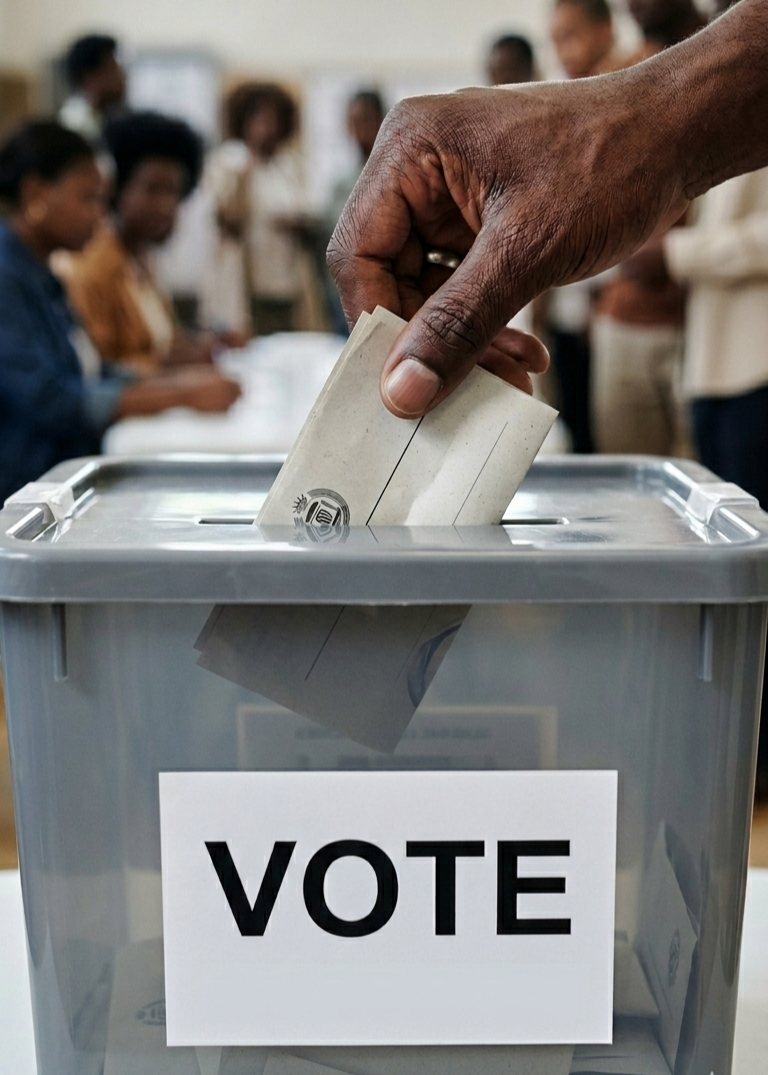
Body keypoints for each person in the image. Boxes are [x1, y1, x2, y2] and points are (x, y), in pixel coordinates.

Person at [0, 121, 240, 506]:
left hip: (59, 477)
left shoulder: (39, 272)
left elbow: (88, 366)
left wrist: (166, 379)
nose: (99, 216)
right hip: (26, 489)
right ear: (35, 192)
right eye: (88, 199)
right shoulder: (7, 276)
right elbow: (49, 399)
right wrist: (176, 394)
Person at [61, 111, 231, 372]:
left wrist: (207, 345)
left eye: (175, 192)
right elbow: (95, 370)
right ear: (116, 189)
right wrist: (164, 365)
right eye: (153, 189)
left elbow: (159, 342)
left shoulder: (141, 259)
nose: (166, 206)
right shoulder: (93, 267)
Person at [545, 0, 620, 453]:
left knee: (603, 439)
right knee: (574, 427)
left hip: (608, 303)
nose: (564, 53)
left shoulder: (630, 104)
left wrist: (604, 293)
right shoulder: (566, 106)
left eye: (571, 36)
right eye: (556, 42)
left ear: (606, 29)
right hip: (565, 309)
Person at [201, 82, 311, 336]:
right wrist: (247, 168)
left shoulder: (289, 166)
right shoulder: (229, 161)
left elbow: (306, 211)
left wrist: (295, 223)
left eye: (275, 121)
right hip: (245, 287)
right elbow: (226, 219)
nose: (268, 128)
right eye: (261, 120)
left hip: (285, 284)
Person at [59, 34, 127, 143]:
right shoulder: (74, 127)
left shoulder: (108, 117)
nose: (123, 77)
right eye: (113, 69)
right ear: (90, 77)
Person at [549, 0, 616, 79]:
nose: (563, 56)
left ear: (604, 29)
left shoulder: (630, 78)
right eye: (556, 42)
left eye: (568, 37)